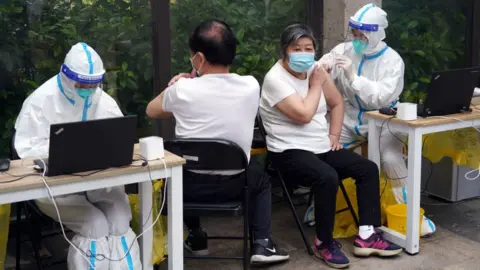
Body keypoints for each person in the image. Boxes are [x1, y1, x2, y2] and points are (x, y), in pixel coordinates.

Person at [146, 19, 290, 265]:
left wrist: (179, 82)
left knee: (182, 170)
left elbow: (152, 110)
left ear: (199, 58)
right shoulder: (250, 86)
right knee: (262, 180)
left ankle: (197, 237)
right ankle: (262, 244)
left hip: (187, 188)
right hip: (235, 185)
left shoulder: (182, 91)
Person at [260, 24, 402, 269]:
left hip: (319, 146)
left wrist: (334, 133)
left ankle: (367, 235)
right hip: (287, 152)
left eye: (309, 48)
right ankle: (324, 242)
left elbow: (336, 103)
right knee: (327, 177)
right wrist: (316, 84)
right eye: (297, 49)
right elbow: (304, 114)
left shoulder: (314, 70)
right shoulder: (275, 79)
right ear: (285, 50)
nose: (304, 53)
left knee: (366, 169)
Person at [14, 42, 141, 269]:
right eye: (82, 84)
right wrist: (58, 152)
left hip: (100, 182)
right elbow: (24, 152)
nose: (88, 90)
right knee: (95, 225)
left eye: (93, 84)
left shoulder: (102, 99)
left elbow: (120, 137)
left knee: (120, 221)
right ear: (66, 76)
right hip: (56, 189)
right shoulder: (40, 101)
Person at [318, 3, 435, 237]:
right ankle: (323, 211)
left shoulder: (392, 61)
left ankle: (409, 217)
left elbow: (380, 98)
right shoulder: (345, 49)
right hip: (349, 118)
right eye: (355, 34)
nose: (357, 39)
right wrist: (323, 66)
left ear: (377, 34)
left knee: (391, 158)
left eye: (363, 35)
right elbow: (321, 67)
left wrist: (354, 77)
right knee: (324, 149)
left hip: (383, 120)